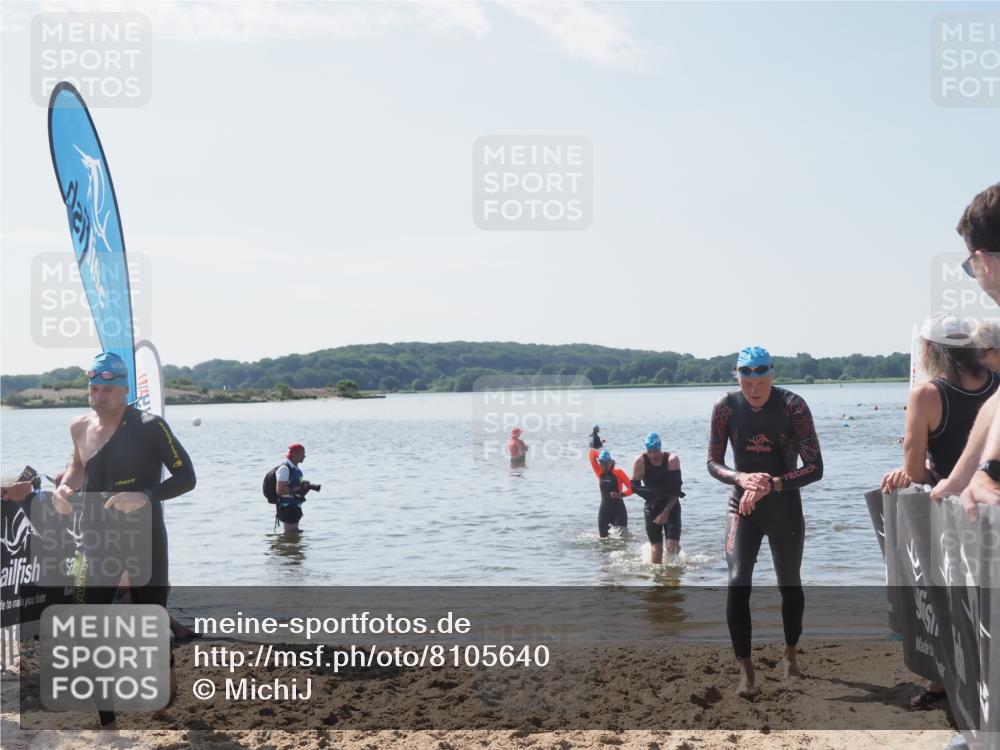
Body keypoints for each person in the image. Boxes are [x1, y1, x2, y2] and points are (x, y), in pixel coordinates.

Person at [49, 351, 196, 733]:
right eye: (93, 388)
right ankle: (108, 723)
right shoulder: (79, 426)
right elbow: (78, 465)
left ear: (126, 390)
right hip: (97, 538)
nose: (98, 397)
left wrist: (146, 495)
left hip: (145, 538)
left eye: (107, 390)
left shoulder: (150, 425)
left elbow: (186, 477)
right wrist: (65, 488)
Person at [707, 346, 823, 698]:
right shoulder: (725, 407)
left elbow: (815, 467)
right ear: (737, 375)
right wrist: (742, 478)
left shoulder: (794, 406)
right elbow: (713, 462)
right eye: (746, 378)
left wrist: (772, 484)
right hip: (742, 505)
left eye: (760, 377)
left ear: (772, 375)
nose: (753, 387)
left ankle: (790, 653)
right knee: (737, 581)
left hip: (784, 504)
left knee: (789, 584)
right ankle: (746, 671)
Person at [881, 314, 999, 493]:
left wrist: (933, 476)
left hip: (958, 504)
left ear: (928, 349)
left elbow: (914, 471)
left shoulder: (925, 395)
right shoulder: (996, 383)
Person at [631, 432, 684, 563]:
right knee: (657, 549)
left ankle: (674, 577)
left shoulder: (672, 460)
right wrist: (650, 493)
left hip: (671, 505)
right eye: (650, 452)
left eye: (656, 451)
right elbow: (634, 486)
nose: (653, 455)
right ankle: (657, 580)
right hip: (652, 507)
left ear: (660, 448)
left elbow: (676, 491)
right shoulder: (640, 461)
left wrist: (666, 512)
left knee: (671, 546)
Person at [588, 447, 633, 538]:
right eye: (601, 464)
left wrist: (620, 495)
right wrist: (601, 454)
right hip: (604, 511)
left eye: (606, 464)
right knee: (603, 540)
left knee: (621, 541)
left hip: (619, 511)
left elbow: (632, 489)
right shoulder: (599, 472)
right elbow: (591, 453)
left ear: (610, 462)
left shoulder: (618, 472)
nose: (604, 467)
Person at [275, 443, 318, 533]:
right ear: (294, 454)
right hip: (288, 507)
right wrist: (298, 488)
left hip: (295, 506)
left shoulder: (298, 471)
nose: (304, 456)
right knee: (290, 533)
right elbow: (280, 490)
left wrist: (305, 489)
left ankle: (288, 545)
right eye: (303, 453)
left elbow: (298, 490)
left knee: (294, 535)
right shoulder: (284, 469)